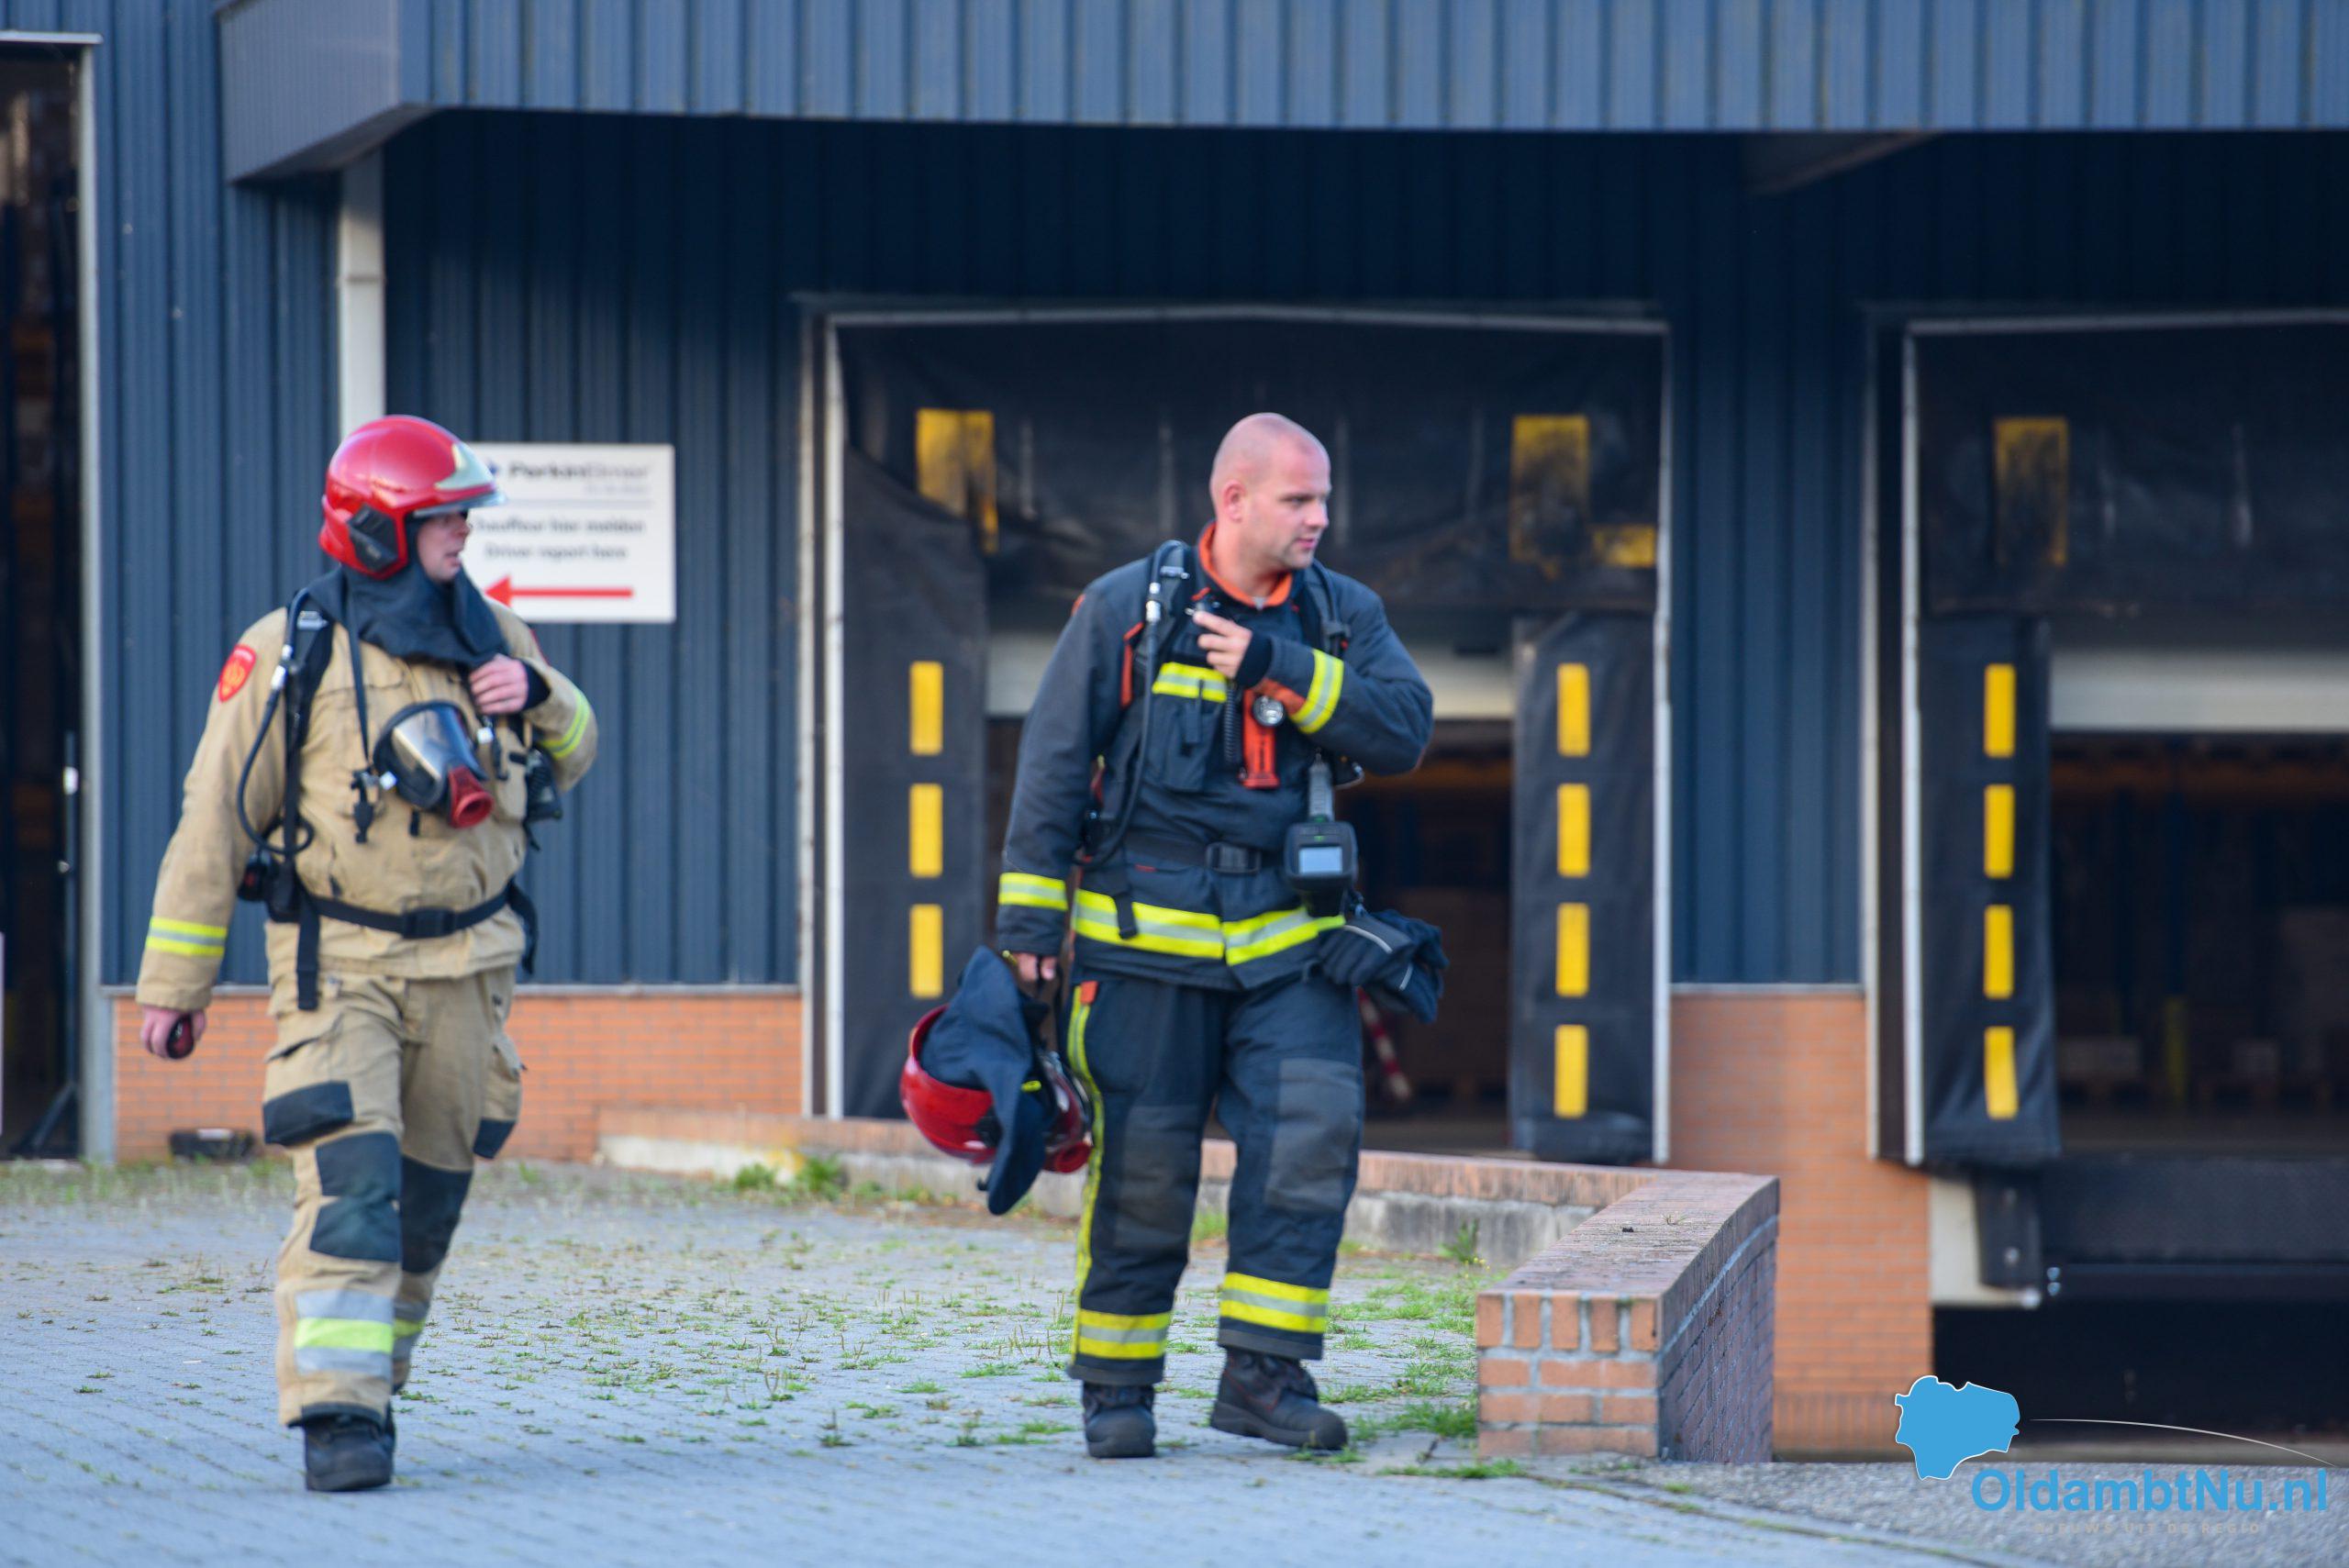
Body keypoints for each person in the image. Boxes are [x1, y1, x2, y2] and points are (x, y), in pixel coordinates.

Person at [133, 415, 596, 1492]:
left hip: (470, 974)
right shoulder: (289, 652)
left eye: (465, 516)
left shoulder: (498, 635)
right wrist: (173, 985)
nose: (462, 535)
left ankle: (374, 1386)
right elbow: (215, 819)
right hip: (340, 967)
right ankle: (336, 1416)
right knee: (352, 1187)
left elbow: (577, 750)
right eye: (443, 518)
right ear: (380, 528)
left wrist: (543, 697)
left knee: (425, 1209)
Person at [996, 412, 1432, 1459]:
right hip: (1142, 953)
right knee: (1144, 1171)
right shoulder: (1125, 610)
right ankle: (1116, 1386)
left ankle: (1262, 1380)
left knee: (1307, 1149)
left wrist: (1282, 666)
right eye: (1298, 499)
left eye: (1324, 499)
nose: (1319, 518)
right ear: (1232, 500)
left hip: (1291, 952)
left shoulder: (1339, 615)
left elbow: (1404, 728)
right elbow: (1052, 761)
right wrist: (1029, 919)